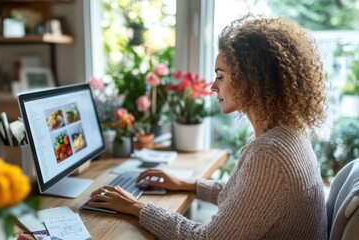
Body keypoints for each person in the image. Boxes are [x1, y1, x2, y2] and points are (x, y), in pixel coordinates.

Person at [87, 14, 327, 239]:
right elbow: (248, 198)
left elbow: (206, 238)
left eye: (220, 76)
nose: (213, 86)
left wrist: (135, 207)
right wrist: (189, 185)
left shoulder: (271, 154)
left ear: (251, 81)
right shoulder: (287, 135)